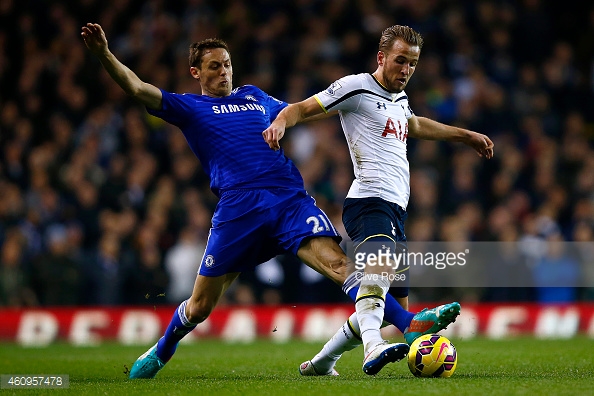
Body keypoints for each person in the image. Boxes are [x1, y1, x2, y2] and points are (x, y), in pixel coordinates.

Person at [81, 22, 451, 379]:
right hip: (239, 209)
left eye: (227, 64)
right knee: (200, 307)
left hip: (289, 198)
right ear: (196, 72)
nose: (224, 72)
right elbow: (137, 88)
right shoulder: (188, 107)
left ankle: (410, 325)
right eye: (214, 66)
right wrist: (104, 55)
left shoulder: (255, 96)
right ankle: (162, 348)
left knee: (341, 265)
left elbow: (298, 110)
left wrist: (335, 118)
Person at [263, 25, 494, 376]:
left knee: (388, 307)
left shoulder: (399, 98)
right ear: (381, 57)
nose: (406, 70)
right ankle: (374, 346)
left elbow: (413, 124)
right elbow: (303, 108)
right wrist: (281, 121)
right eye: (400, 61)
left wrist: (464, 135)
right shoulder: (355, 87)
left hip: (395, 210)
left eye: (412, 64)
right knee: (379, 273)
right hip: (368, 202)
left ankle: (322, 362)